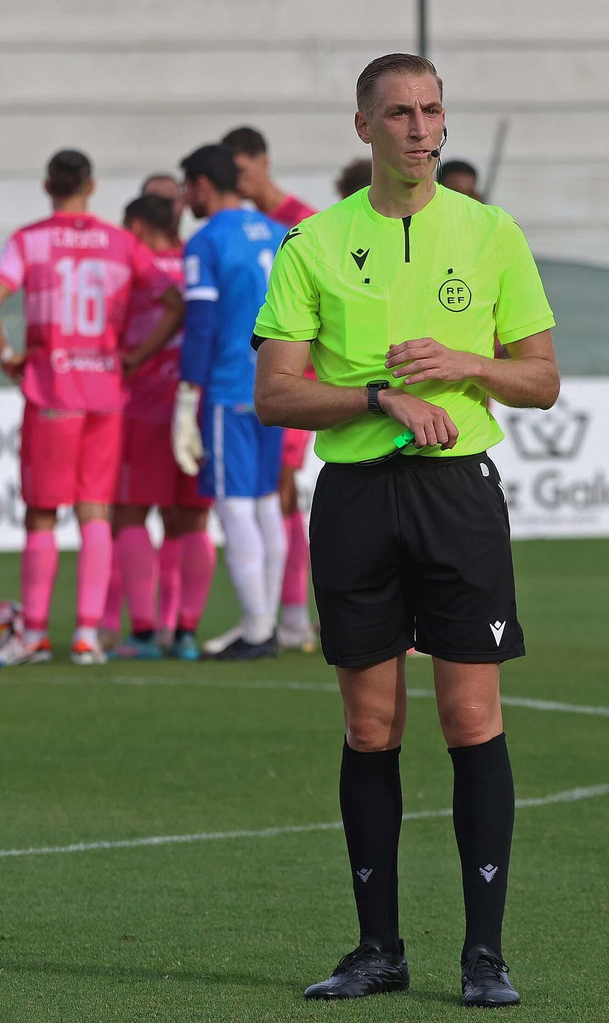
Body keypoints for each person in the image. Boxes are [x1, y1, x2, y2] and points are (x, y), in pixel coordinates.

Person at [252, 53, 560, 1007]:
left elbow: (541, 379)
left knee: (471, 718)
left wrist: (468, 365)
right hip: (355, 500)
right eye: (400, 113)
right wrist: (380, 397)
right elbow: (275, 395)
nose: (421, 130)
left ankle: (485, 957)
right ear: (364, 129)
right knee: (369, 725)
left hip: (456, 496)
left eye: (432, 112)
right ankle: (377, 949)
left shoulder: (492, 232)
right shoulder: (311, 243)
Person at [0, 150, 183, 665]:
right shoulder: (121, 243)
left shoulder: (30, 240)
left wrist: (6, 357)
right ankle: (88, 634)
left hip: (52, 390)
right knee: (95, 513)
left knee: (43, 515)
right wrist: (136, 356)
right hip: (105, 391)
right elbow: (174, 303)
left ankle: (37, 634)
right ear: (91, 187)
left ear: (48, 185)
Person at [173, 144, 288, 660]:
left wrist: (186, 395)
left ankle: (259, 628)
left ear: (202, 184)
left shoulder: (206, 242)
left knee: (234, 503)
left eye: (187, 186)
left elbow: (200, 325)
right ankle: (263, 623)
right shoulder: (277, 231)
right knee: (266, 501)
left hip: (228, 385)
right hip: (277, 385)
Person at [100, 194, 214, 661]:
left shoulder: (134, 267)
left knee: (129, 515)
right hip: (199, 401)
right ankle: (184, 631)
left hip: (145, 405)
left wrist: (131, 360)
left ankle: (144, 632)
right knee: (192, 520)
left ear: (139, 226)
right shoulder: (197, 259)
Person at [222, 125, 319, 650]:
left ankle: (294, 618)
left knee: (281, 494)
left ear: (263, 162)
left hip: (299, 381)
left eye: (241, 170)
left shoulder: (301, 221)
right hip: (256, 381)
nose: (237, 181)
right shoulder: (245, 226)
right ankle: (288, 619)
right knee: (273, 497)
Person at [221, 126, 317, 227]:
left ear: (264, 161)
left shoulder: (303, 219)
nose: (235, 179)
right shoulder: (249, 221)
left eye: (241, 170)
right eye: (230, 172)